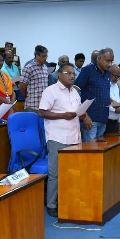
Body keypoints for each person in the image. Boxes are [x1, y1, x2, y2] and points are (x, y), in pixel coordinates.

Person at [38, 63, 83, 218]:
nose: (72, 76)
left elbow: (78, 111)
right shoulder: (51, 91)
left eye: (73, 74)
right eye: (68, 73)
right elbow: (42, 112)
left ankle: (68, 201)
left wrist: (84, 114)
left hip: (75, 138)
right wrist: (63, 115)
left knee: (71, 174)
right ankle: (51, 205)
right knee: (55, 174)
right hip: (58, 138)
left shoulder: (75, 92)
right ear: (59, 74)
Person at [75, 48, 114, 140]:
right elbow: (74, 93)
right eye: (107, 61)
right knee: (90, 152)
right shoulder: (87, 71)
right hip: (90, 119)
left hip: (103, 118)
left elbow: (103, 92)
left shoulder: (108, 73)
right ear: (99, 58)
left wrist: (113, 101)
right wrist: (84, 115)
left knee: (100, 151)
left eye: (111, 61)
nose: (110, 64)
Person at [20, 45, 49, 111]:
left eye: (46, 56)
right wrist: (27, 97)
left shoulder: (45, 67)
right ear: (37, 55)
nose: (45, 58)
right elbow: (22, 86)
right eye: (43, 56)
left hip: (44, 105)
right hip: (32, 105)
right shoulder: (28, 68)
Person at [106, 65, 120, 134]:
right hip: (106, 122)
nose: (117, 79)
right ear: (109, 73)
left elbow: (118, 103)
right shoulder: (104, 85)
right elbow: (104, 103)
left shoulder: (116, 86)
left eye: (119, 77)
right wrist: (115, 109)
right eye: (116, 76)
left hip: (115, 123)